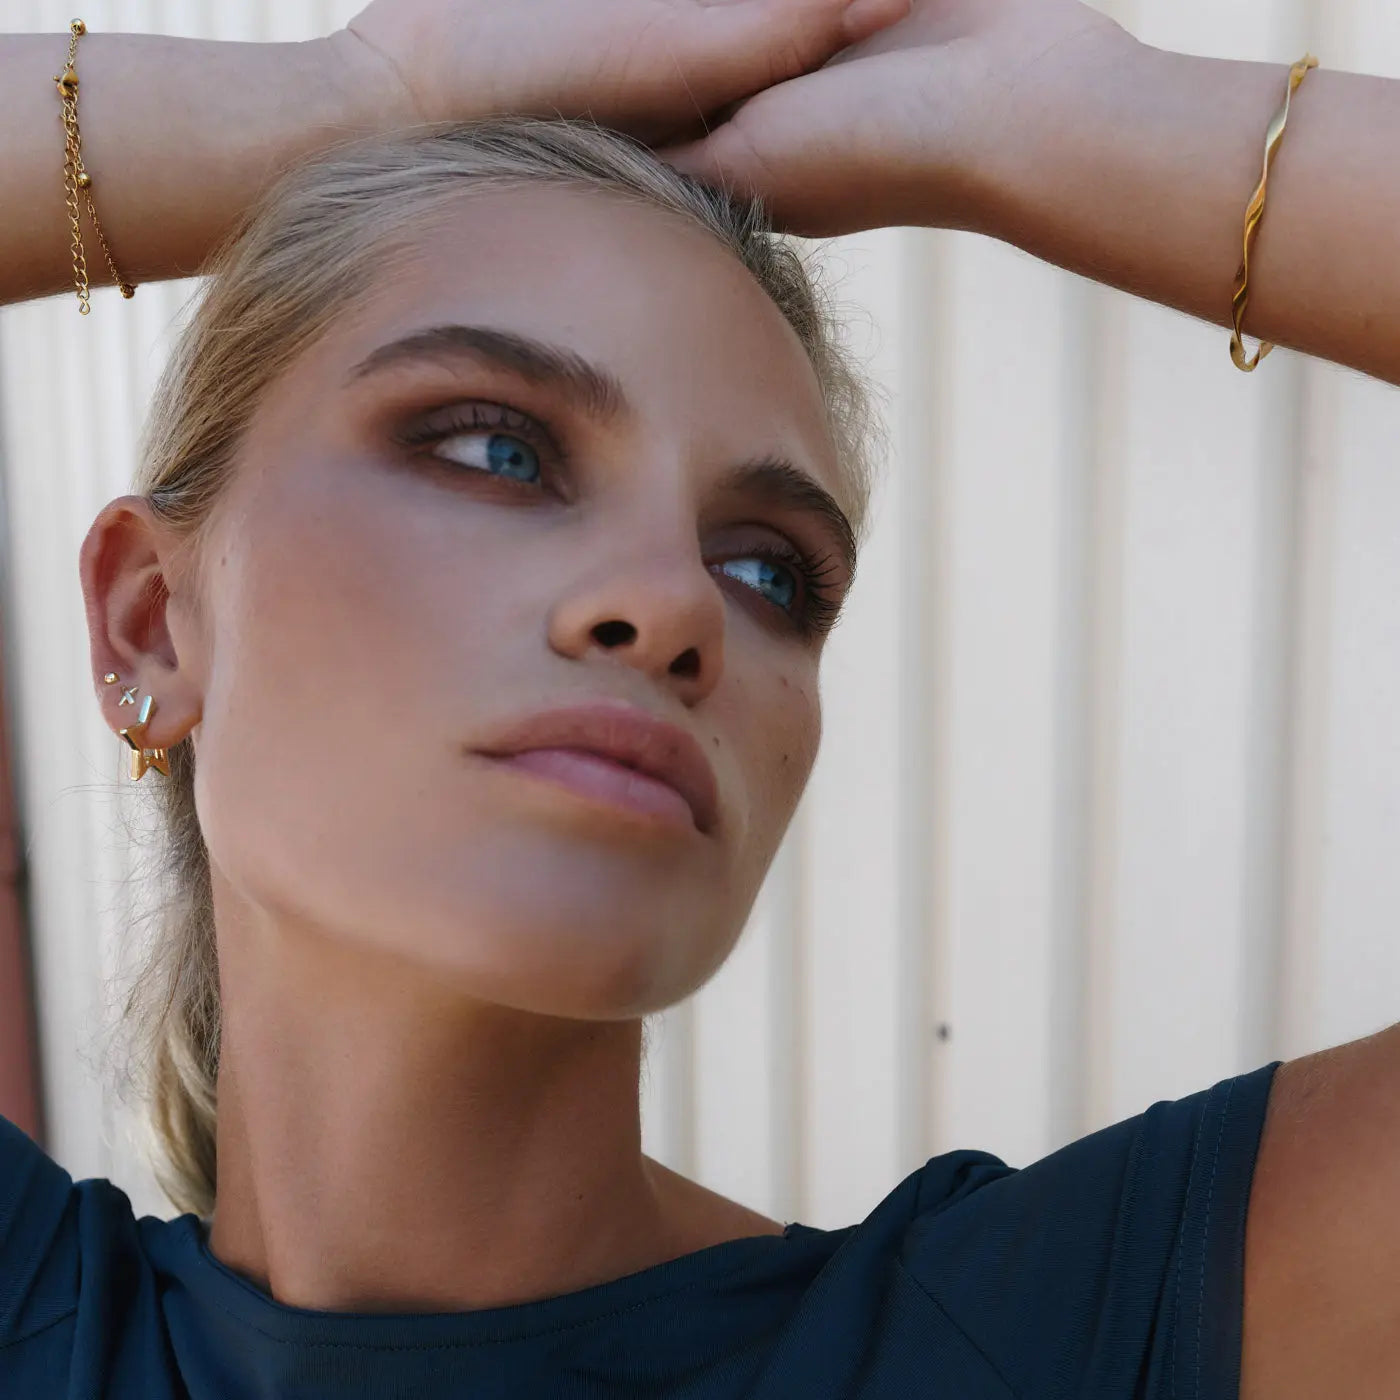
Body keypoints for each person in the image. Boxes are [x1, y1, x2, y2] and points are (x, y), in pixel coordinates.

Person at [0, 2, 1394, 1398]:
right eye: (497, 450)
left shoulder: (1044, 1344)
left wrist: (1072, 122)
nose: (674, 606)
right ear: (152, 620)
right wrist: (346, 95)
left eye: (766, 572)